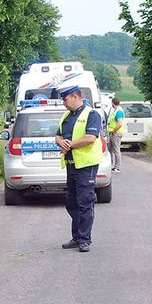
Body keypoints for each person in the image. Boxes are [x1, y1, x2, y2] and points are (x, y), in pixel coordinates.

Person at [55, 85, 103, 253]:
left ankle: (84, 239)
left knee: (85, 202)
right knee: (71, 202)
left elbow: (90, 138)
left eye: (65, 99)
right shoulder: (66, 116)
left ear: (75, 97)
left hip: (86, 166)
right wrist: (60, 141)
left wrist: (70, 145)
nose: (64, 103)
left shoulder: (91, 115)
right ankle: (76, 237)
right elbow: (58, 135)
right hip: (71, 165)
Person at [108, 97, 125, 172]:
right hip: (113, 133)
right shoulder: (116, 110)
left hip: (116, 133)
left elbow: (120, 123)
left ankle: (117, 166)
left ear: (112, 103)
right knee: (110, 149)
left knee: (116, 149)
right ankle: (111, 165)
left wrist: (114, 130)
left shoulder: (119, 111)